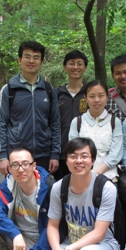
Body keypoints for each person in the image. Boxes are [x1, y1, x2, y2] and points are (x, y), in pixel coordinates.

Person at [33, 137, 120, 250]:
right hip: (70, 246)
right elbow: (52, 225)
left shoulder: (105, 188)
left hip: (103, 246)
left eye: (84, 156)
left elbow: (99, 233)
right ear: (66, 160)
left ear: (92, 160)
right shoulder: (59, 187)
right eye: (73, 156)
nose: (79, 161)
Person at [0, 41, 61, 176]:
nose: (31, 61)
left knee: (43, 188)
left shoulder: (48, 90)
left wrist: (55, 153)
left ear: (41, 62)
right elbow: (0, 124)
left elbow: (55, 123)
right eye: (27, 56)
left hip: (44, 155)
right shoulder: (9, 90)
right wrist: (2, 156)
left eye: (36, 57)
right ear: (19, 60)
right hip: (17, 155)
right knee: (17, 189)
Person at [68, 80, 123, 182]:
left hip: (108, 178)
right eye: (92, 96)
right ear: (85, 98)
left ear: (107, 97)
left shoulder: (115, 122)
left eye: (101, 96)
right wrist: (87, 173)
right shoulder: (77, 122)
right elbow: (73, 152)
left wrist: (96, 173)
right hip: (82, 178)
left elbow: (115, 154)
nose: (97, 100)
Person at [56, 50, 89, 179]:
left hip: (85, 154)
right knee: (62, 187)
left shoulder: (90, 93)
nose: (75, 67)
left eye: (79, 63)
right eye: (71, 63)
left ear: (85, 67)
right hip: (61, 154)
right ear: (64, 67)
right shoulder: (57, 94)